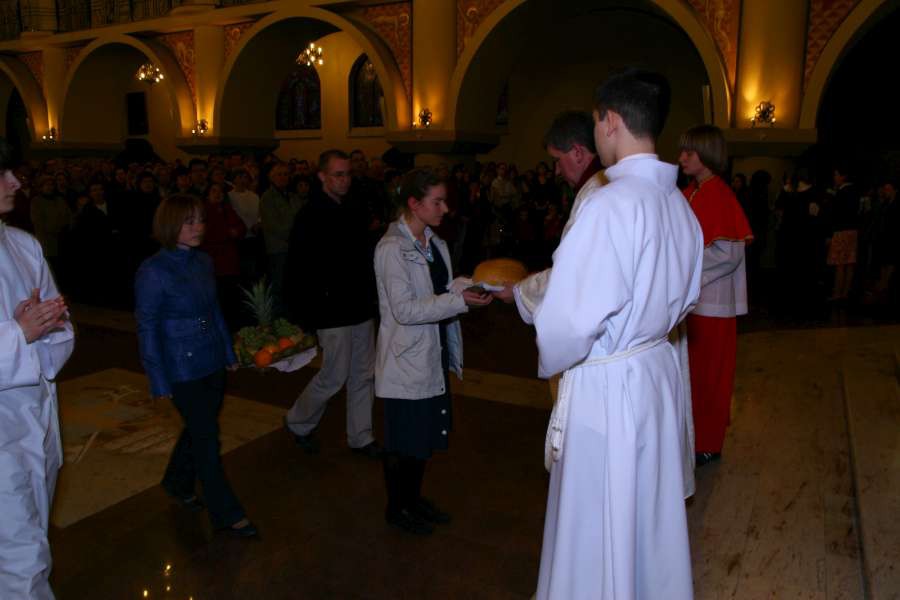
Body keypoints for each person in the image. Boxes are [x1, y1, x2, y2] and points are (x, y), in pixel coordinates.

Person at [530, 69, 702, 599]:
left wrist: (548, 340)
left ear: (609, 122)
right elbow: (687, 297)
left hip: (608, 389)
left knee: (598, 519)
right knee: (644, 515)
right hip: (654, 375)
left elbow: (567, 323)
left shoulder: (609, 205)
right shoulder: (678, 204)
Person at [374, 169, 492, 535]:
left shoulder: (434, 242)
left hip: (431, 350)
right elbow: (404, 310)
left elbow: (439, 288)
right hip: (406, 358)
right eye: (437, 202)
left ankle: (413, 499)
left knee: (422, 436)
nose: (445, 208)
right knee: (403, 441)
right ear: (414, 203)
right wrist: (458, 301)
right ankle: (397, 508)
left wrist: (472, 286)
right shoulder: (391, 249)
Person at [134, 194, 257, 538]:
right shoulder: (153, 271)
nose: (198, 227)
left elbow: (214, 310)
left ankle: (177, 481)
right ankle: (226, 513)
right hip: (180, 366)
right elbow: (146, 327)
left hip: (211, 358)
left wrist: (228, 352)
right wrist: (157, 379)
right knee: (207, 439)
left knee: (200, 428)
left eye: (200, 219)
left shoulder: (203, 261)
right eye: (189, 221)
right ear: (170, 224)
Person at [0, 137, 74, 599]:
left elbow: (61, 328)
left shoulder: (23, 245)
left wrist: (44, 328)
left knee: (33, 537)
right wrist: (19, 334)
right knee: (23, 562)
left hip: (37, 415)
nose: (15, 183)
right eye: (3, 174)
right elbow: (23, 333)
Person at [283, 150, 380, 458]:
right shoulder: (309, 215)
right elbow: (298, 268)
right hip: (331, 310)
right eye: (338, 174)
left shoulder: (355, 207)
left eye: (348, 174)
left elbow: (366, 257)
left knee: (364, 373)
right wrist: (304, 313)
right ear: (322, 176)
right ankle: (298, 421)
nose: (345, 180)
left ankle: (361, 436)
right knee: (334, 376)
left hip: (361, 304)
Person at [678, 125, 753, 466]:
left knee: (710, 378)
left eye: (689, 152)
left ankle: (708, 442)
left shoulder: (719, 194)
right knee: (694, 377)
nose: (681, 158)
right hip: (694, 303)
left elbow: (729, 254)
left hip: (712, 304)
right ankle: (694, 438)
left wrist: (686, 268)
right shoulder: (691, 191)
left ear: (707, 155)